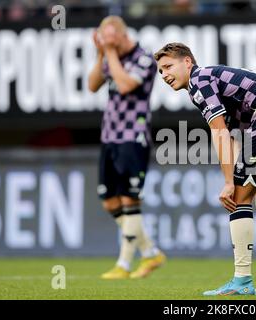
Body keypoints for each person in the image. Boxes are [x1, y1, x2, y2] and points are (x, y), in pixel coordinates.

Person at [154, 43, 256, 295]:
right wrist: (239, 171)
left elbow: (220, 133)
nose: (163, 75)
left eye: (167, 67)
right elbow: (237, 135)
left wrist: (230, 182)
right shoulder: (214, 78)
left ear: (187, 62)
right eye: (160, 71)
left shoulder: (200, 80)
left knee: (239, 198)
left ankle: (242, 280)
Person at [88, 16, 166, 279]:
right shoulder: (111, 56)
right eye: (104, 38)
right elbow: (92, 85)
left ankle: (123, 264)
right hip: (109, 135)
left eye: (110, 39)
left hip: (133, 135)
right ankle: (150, 251)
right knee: (110, 201)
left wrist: (109, 53)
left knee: (129, 198)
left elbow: (124, 85)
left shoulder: (143, 57)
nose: (109, 43)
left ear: (122, 35)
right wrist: (101, 54)